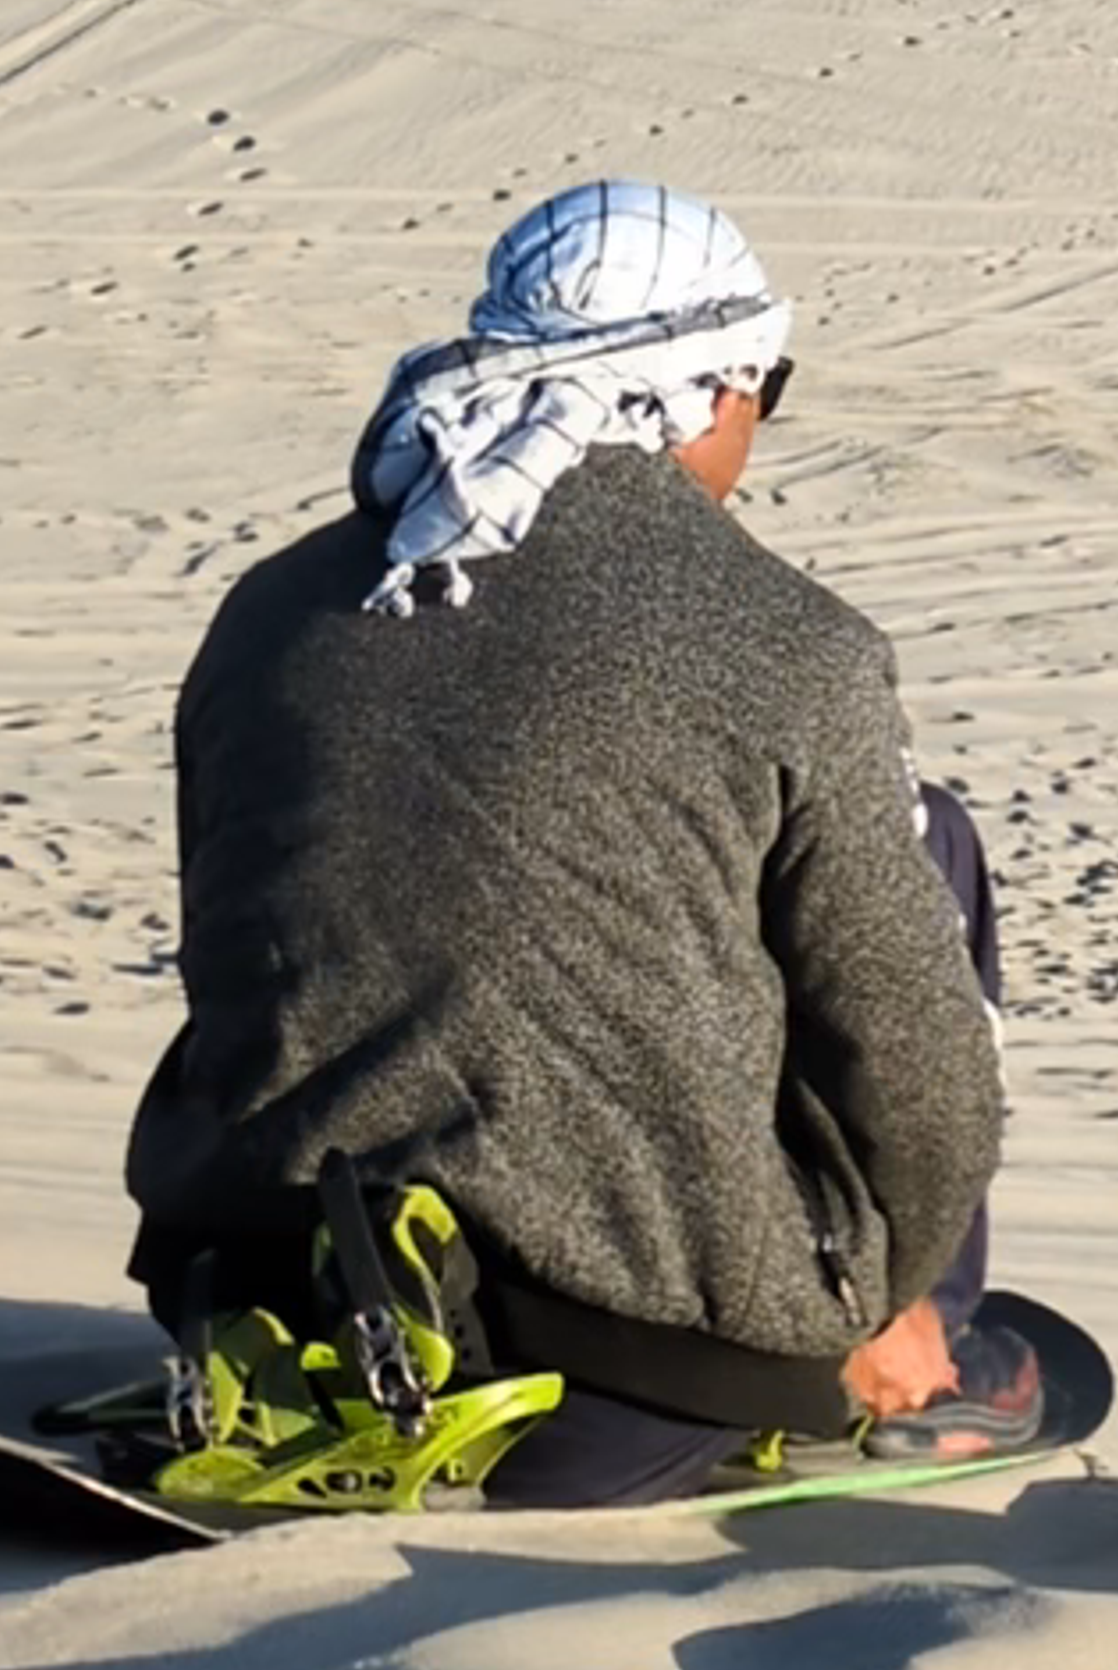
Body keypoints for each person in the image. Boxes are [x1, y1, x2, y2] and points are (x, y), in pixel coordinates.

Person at [129, 181, 1030, 1501]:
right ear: (716, 389)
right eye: (767, 390)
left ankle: (350, 1349)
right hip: (635, 1372)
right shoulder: (793, 645)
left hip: (274, 1280)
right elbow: (919, 1068)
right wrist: (878, 1287)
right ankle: (913, 1350)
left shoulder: (267, 613)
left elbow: (233, 952)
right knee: (918, 837)